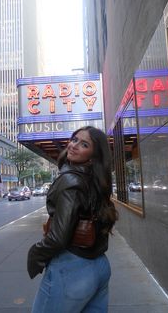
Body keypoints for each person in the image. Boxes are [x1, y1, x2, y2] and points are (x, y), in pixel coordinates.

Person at [27, 126, 118, 313]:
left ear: (93, 156)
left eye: (84, 144)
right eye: (75, 139)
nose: (74, 145)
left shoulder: (70, 181)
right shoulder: (97, 180)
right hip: (100, 266)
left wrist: (35, 254)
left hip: (71, 268)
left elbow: (59, 237)